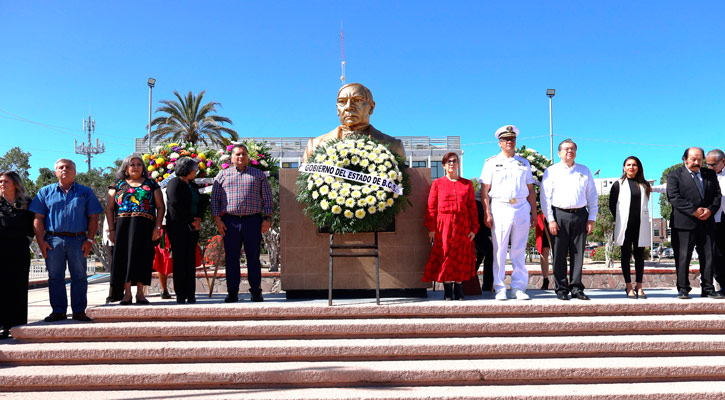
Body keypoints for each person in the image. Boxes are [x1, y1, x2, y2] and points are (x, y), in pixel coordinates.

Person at [29, 159, 103, 322]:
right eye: (60, 168)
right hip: (53, 240)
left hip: (78, 240)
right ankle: (58, 311)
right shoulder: (45, 192)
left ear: (75, 172)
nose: (64, 170)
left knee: (79, 276)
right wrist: (41, 241)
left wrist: (90, 240)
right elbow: (38, 218)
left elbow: (93, 217)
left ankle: (78, 311)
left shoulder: (85, 192)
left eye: (68, 167)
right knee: (55, 277)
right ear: (55, 172)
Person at [480, 125, 537, 301]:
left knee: (519, 250)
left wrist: (534, 212)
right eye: (506, 139)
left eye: (512, 139)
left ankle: (518, 287)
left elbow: (531, 189)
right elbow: (484, 190)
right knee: (499, 250)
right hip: (500, 207)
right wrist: (487, 212)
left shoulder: (523, 163)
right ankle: (499, 287)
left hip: (521, 207)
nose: (509, 142)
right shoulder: (491, 163)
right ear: (500, 143)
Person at [211, 144, 273, 303]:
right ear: (231, 157)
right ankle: (232, 293)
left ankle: (256, 292)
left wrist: (267, 219)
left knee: (253, 258)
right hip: (230, 222)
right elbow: (215, 201)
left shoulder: (259, 175)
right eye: (237, 154)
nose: (241, 157)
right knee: (232, 259)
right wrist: (218, 220)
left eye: (244, 154)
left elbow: (267, 199)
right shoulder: (222, 176)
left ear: (248, 157)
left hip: (253, 221)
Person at [540, 139, 598, 301]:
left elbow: (592, 195)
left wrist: (591, 218)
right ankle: (561, 288)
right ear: (559, 153)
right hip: (559, 215)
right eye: (566, 149)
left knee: (578, 253)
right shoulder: (551, 171)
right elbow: (545, 197)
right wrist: (550, 220)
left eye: (572, 149)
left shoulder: (584, 170)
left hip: (580, 215)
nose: (569, 151)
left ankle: (577, 288)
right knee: (558, 253)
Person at [104, 154, 164, 305]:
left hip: (145, 227)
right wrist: (111, 230)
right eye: (132, 164)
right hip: (123, 227)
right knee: (124, 259)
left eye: (138, 164)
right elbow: (109, 208)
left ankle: (140, 294)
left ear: (143, 167)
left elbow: (160, 206)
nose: (136, 167)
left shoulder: (151, 184)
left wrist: (157, 227)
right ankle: (127, 294)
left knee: (142, 258)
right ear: (125, 168)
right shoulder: (117, 185)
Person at [666, 147, 723, 299]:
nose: (696, 162)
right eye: (693, 159)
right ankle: (683, 288)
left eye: (699, 159)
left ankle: (708, 288)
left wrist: (710, 210)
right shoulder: (674, 175)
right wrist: (694, 211)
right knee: (683, 257)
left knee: (708, 256)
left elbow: (717, 195)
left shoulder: (710, 174)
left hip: (707, 223)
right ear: (684, 159)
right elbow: (674, 197)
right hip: (683, 224)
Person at [423, 152, 479, 300]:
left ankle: (459, 288)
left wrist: (474, 228)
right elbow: (431, 206)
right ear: (444, 165)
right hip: (444, 224)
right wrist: (432, 228)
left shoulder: (467, 184)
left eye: (454, 161)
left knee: (460, 255)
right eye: (448, 162)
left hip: (463, 224)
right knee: (445, 254)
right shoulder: (437, 183)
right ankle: (448, 288)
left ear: (458, 164)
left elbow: (472, 206)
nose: (452, 164)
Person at [302, 83, 405, 161]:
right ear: (338, 109)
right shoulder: (314, 145)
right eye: (342, 102)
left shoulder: (394, 146)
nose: (348, 107)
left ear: (371, 107)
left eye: (358, 100)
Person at [608, 156, 653, 299]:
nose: (631, 167)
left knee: (640, 256)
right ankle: (628, 286)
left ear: (638, 167)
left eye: (634, 165)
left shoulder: (644, 185)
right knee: (625, 256)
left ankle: (639, 286)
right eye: (628, 165)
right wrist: (621, 219)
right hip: (625, 226)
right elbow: (612, 205)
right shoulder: (618, 185)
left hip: (640, 225)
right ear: (624, 167)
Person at [165, 157, 205, 304]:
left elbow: (201, 203)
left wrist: (199, 219)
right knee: (180, 261)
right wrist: (190, 220)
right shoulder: (174, 182)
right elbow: (175, 203)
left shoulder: (193, 185)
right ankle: (181, 294)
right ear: (187, 169)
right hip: (179, 227)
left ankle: (191, 294)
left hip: (193, 227)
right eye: (194, 168)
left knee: (190, 261)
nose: (196, 171)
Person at [0, 171, 34, 338]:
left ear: (15, 184)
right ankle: (2, 326)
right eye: (0, 181)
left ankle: (18, 326)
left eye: (6, 181)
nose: (2, 184)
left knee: (18, 287)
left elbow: (33, 228)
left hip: (19, 250)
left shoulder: (27, 203)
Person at [706, 148, 725, 294]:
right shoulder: (706, 175)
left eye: (713, 165)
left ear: (723, 161)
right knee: (717, 253)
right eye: (708, 165)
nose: (710, 168)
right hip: (717, 220)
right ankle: (723, 285)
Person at [473, 191, 494, 292]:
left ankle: (469, 280)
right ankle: (486, 285)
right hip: (478, 231)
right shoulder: (479, 195)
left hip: (484, 232)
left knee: (480, 254)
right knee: (489, 252)